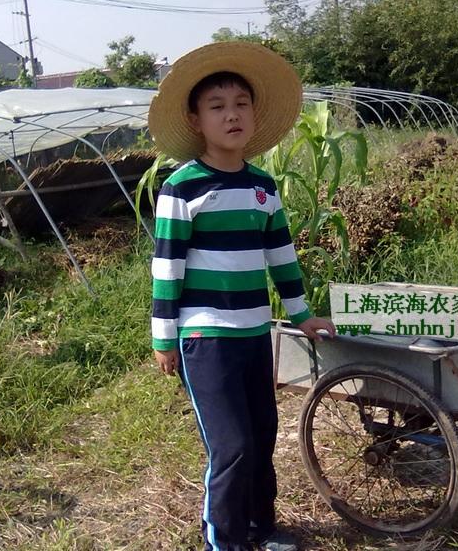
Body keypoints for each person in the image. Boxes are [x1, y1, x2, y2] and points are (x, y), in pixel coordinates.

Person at [148, 41, 335, 551]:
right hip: (206, 338)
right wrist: (164, 339)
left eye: (241, 104)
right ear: (196, 120)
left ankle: (262, 528)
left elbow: (281, 256)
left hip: (256, 333)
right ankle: (223, 541)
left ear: (253, 115)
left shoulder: (262, 187)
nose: (232, 115)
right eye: (217, 107)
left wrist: (301, 314)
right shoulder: (183, 189)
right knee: (230, 447)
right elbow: (166, 269)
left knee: (261, 439)